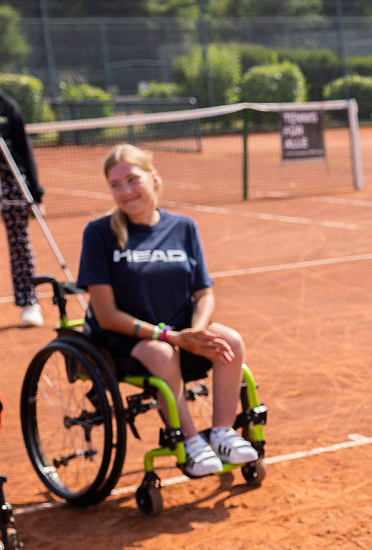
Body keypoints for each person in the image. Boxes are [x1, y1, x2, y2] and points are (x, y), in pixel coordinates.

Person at [77, 144, 258, 478]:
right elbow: (106, 315)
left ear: (154, 178)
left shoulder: (183, 227)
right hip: (125, 341)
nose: (125, 191)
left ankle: (222, 433)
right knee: (162, 353)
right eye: (115, 185)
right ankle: (189, 442)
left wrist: (198, 332)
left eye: (132, 179)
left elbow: (203, 292)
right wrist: (174, 337)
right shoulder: (99, 234)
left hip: (181, 331)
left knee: (230, 341)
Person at [0, 88, 45, 327]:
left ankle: (29, 303)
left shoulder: (8, 107)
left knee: (19, 245)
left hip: (11, 183)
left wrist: (35, 192)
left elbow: (25, 150)